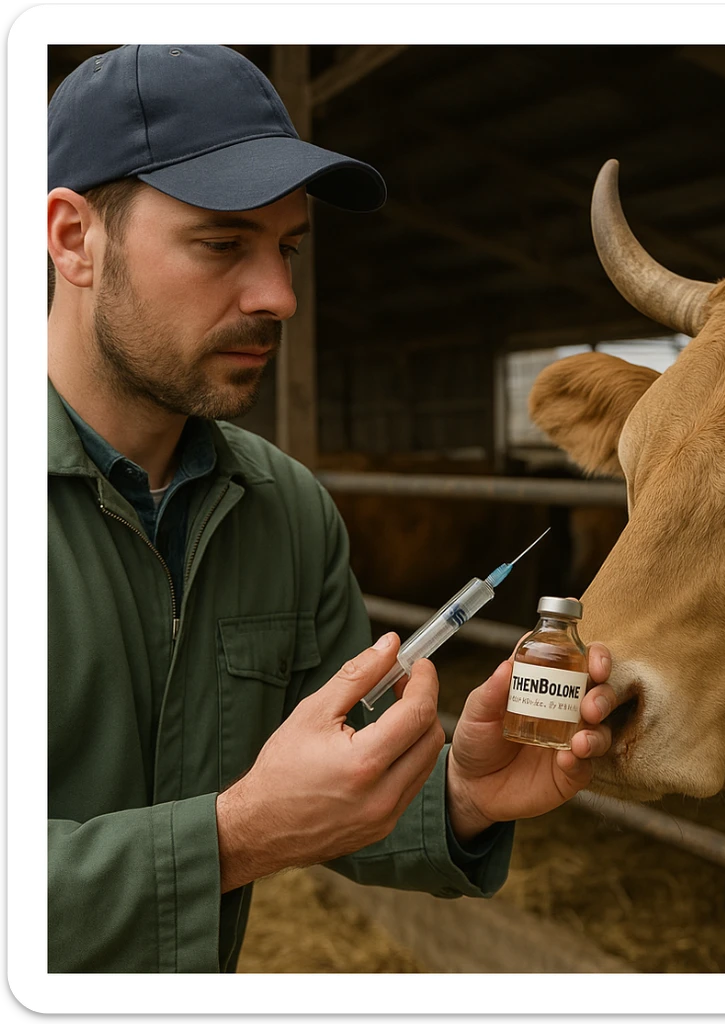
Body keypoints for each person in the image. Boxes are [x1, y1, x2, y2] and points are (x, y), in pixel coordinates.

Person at [46, 44, 618, 973]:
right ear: (75, 239)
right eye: (222, 243)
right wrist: (233, 838)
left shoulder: (286, 510)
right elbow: (262, 821)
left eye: (288, 248)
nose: (280, 297)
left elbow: (335, 781)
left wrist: (461, 796)